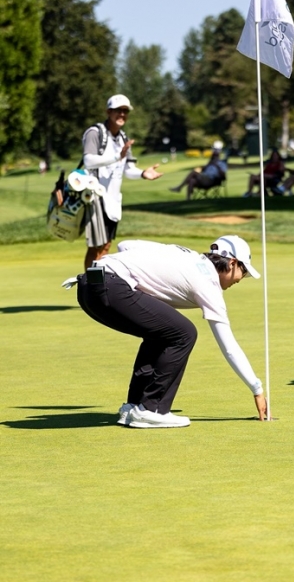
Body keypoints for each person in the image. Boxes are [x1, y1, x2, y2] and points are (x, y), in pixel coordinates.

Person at [71, 235, 267, 427]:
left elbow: (125, 245)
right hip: (111, 288)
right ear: (232, 263)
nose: (242, 278)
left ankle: (134, 407)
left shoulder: (187, 255)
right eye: (244, 271)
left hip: (87, 287)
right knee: (185, 333)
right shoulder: (209, 285)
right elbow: (229, 347)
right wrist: (256, 388)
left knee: (161, 333)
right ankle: (152, 409)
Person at [82, 94, 162, 270]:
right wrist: (117, 156)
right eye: (118, 111)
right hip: (94, 198)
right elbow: (88, 161)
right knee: (97, 246)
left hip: (112, 200)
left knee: (106, 245)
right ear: (108, 112)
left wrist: (143, 173)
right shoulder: (95, 133)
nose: (122, 115)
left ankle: (95, 285)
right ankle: (93, 286)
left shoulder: (124, 139)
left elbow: (128, 170)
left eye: (125, 111)